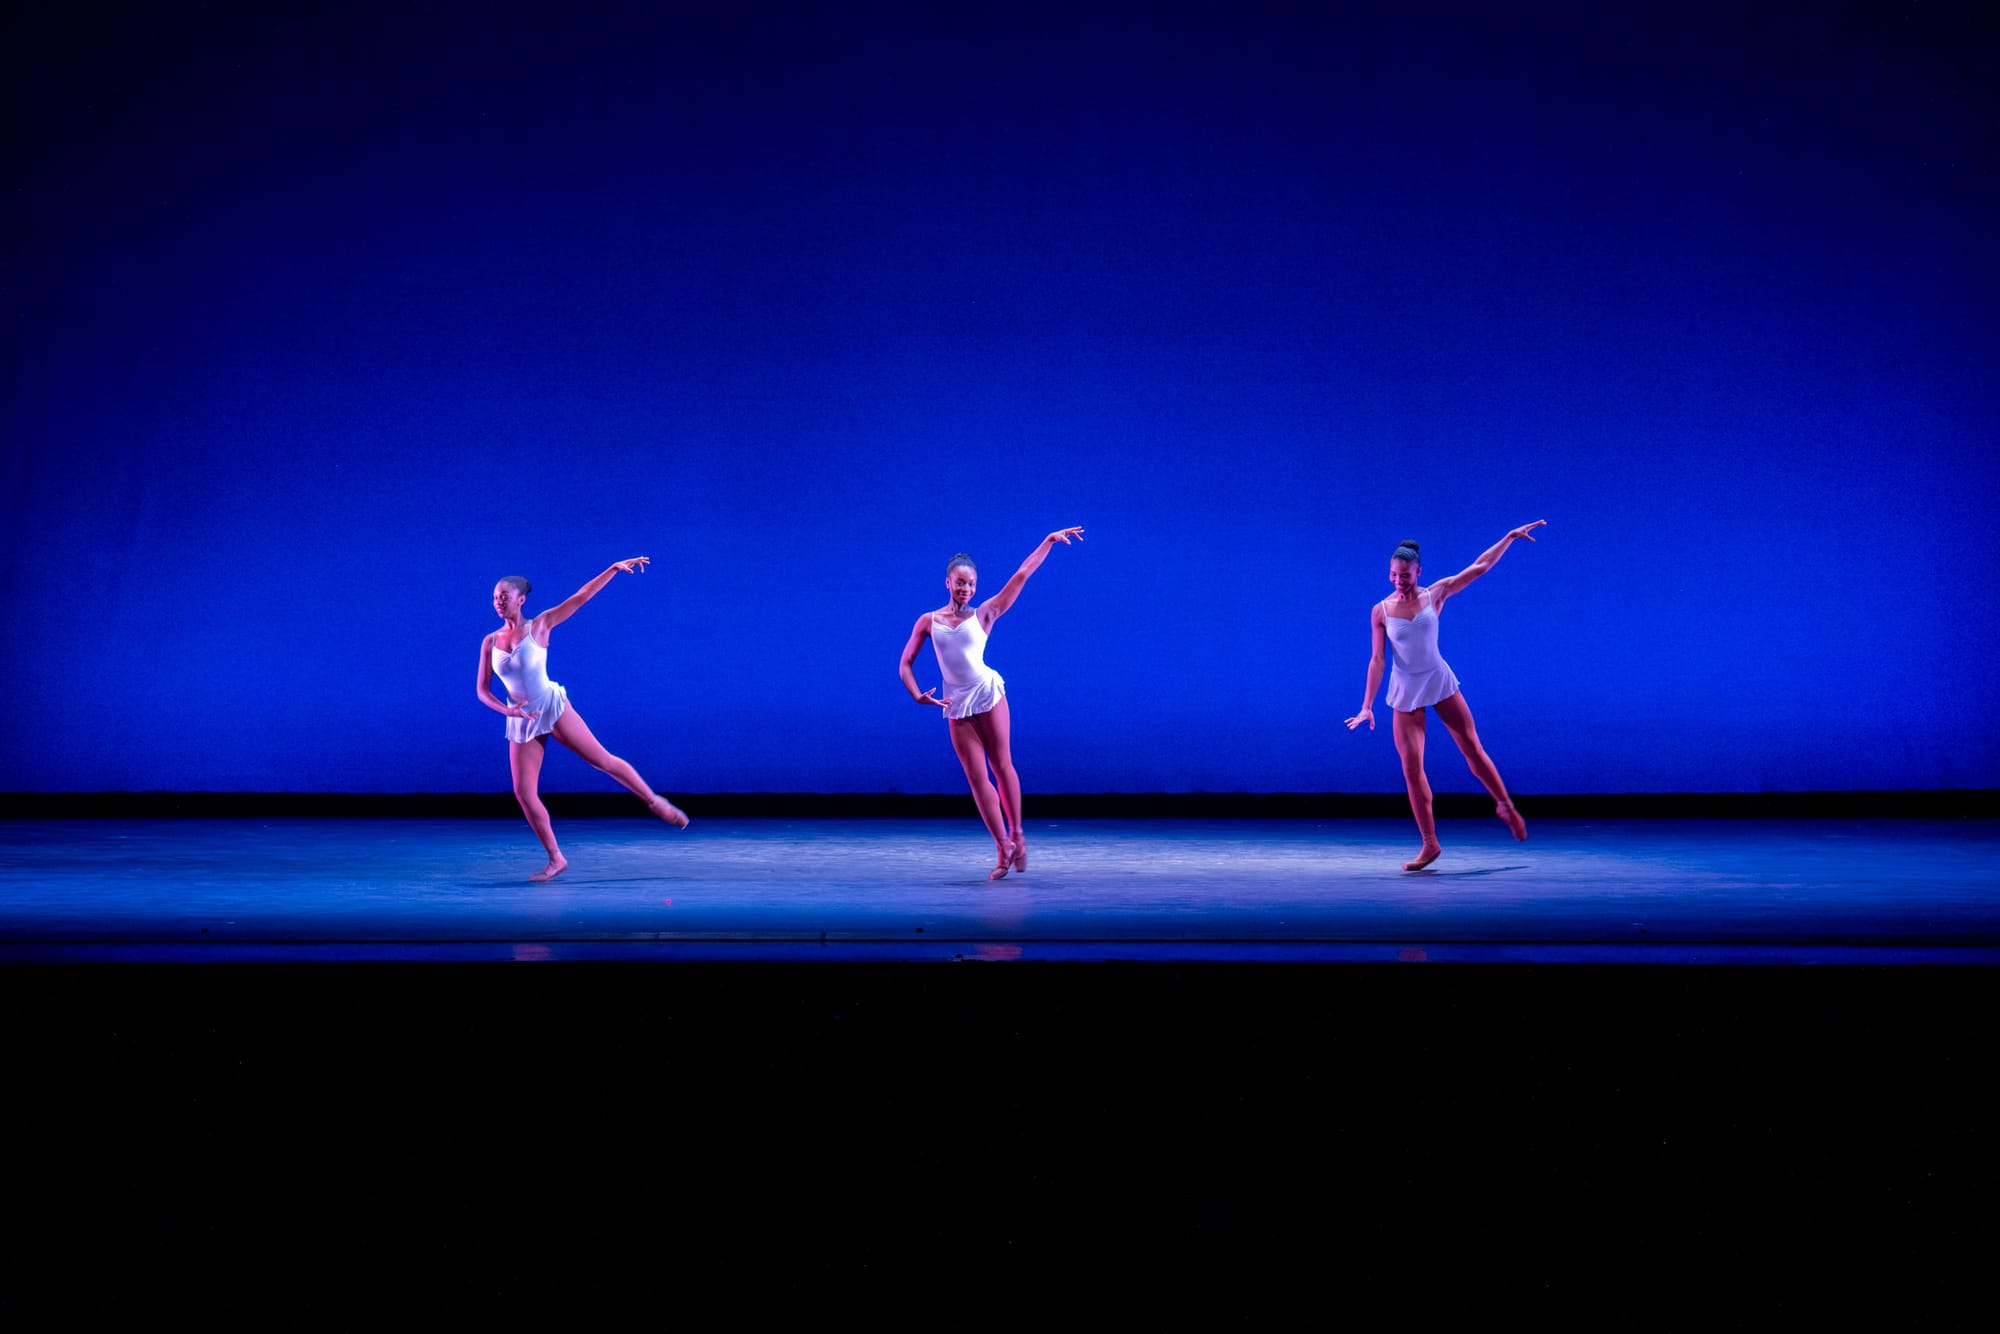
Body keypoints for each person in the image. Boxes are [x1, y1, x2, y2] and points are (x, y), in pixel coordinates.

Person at [1345, 523, 1545, 870]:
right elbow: (1377, 660)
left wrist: (1509, 538)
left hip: (1437, 679)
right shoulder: (1381, 611)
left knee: (1472, 749)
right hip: (1405, 689)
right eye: (1393, 575)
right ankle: (1430, 844)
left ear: (1418, 572)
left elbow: (1479, 566)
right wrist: (1366, 706)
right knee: (1412, 769)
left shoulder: (1435, 594)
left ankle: (1505, 806)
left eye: (1405, 575)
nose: (1398, 580)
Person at [475, 558, 688, 881]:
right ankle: (556, 858)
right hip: (521, 718)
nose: (498, 602)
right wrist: (509, 711)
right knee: (524, 792)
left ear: (521, 599)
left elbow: (581, 597)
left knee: (602, 760)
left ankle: (654, 801)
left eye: (504, 596)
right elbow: (482, 690)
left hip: (551, 706)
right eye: (494, 597)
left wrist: (613, 569)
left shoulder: (541, 625)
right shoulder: (489, 642)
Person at [898, 528, 1084, 879]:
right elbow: (905, 663)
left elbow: (1021, 575)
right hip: (956, 703)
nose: (966, 589)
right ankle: (1003, 846)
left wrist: (1047, 541)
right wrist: (917, 694)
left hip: (987, 693)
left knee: (1001, 765)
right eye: (960, 583)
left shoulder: (984, 613)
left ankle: (1018, 834)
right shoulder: (928, 622)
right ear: (948, 583)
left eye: (971, 584)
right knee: (976, 777)